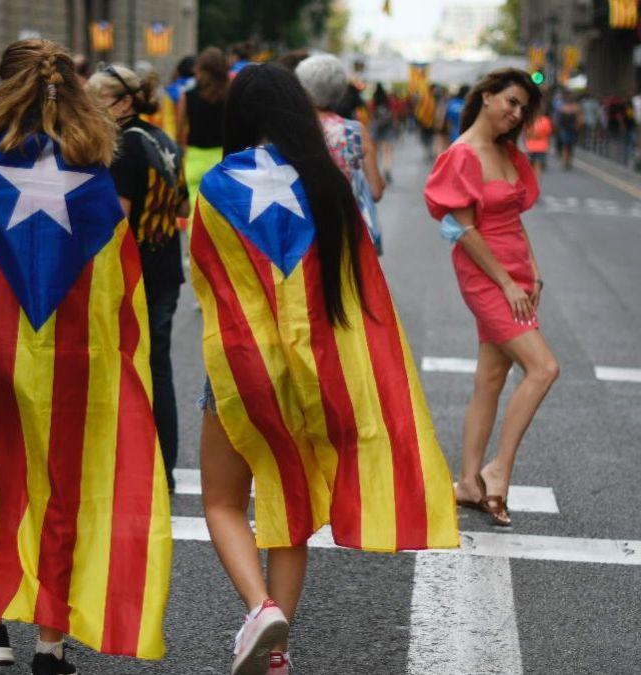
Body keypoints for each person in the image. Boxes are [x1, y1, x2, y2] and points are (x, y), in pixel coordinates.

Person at [193, 63, 458, 675]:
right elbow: (359, 290)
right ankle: (276, 652)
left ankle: (261, 611)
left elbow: (209, 283)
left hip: (240, 367)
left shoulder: (216, 185)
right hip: (315, 371)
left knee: (223, 503)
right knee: (289, 505)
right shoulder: (330, 184)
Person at [0, 39, 172, 675]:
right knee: (64, 492)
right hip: (75, 354)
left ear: (3, 88)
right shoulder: (96, 175)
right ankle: (51, 644)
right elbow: (114, 280)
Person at [424, 68, 558, 528]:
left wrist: (533, 272)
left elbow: (514, 222)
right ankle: (497, 470)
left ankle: (466, 482)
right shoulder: (461, 155)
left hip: (516, 273)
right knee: (543, 368)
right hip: (487, 275)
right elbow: (465, 229)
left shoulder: (508, 153)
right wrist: (505, 282)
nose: (516, 114)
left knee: (491, 378)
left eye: (523, 109)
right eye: (511, 102)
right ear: (486, 97)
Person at [87, 63, 190, 493]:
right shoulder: (162, 139)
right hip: (166, 266)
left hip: (135, 273)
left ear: (126, 102)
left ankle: (134, 466)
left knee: (126, 368)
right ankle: (163, 465)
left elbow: (117, 218)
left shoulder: (125, 146)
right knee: (157, 366)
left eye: (98, 101)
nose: (92, 110)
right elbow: (182, 208)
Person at [295, 54, 385, 250]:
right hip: (349, 235)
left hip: (304, 236)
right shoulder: (355, 131)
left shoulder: (293, 132)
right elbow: (376, 191)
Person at [177, 46, 227, 205]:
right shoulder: (230, 96)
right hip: (222, 158)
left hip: (194, 157)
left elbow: (180, 129)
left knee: (194, 209)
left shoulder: (187, 96)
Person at [370, 83, 395, 183]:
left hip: (376, 127)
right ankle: (387, 168)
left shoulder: (374, 101)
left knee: (375, 151)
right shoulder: (388, 101)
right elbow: (392, 113)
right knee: (387, 151)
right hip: (387, 128)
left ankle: (376, 172)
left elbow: (371, 114)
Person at [525, 101, 553, 185]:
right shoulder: (546, 121)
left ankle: (530, 189)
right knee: (538, 169)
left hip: (529, 148)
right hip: (541, 148)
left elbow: (526, 133)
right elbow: (548, 133)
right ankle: (537, 188)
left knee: (528, 170)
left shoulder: (529, 121)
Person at [555, 91, 581, 170]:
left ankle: (565, 161)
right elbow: (579, 120)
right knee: (570, 146)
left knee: (566, 146)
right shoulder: (576, 108)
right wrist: (578, 128)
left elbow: (557, 119)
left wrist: (557, 128)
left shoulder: (562, 108)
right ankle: (568, 161)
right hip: (571, 130)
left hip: (564, 129)